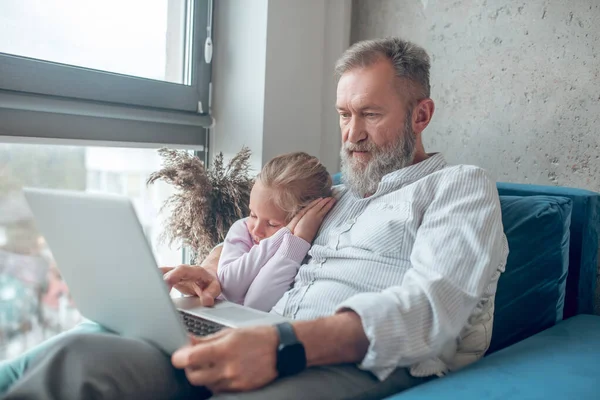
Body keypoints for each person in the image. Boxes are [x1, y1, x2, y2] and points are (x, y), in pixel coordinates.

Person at [2, 37, 508, 400]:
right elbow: (264, 252)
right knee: (82, 360)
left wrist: (282, 344)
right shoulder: (331, 197)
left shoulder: (459, 187)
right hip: (259, 333)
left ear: (421, 116)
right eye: (342, 113)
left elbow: (431, 310)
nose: (350, 134)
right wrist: (215, 274)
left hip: (361, 362)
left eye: (370, 114)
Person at [217, 152, 335, 311]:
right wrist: (282, 234)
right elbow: (229, 287)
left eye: (272, 224)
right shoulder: (243, 229)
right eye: (252, 214)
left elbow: (255, 304)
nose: (257, 230)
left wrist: (297, 242)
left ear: (305, 218)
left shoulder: (303, 246)